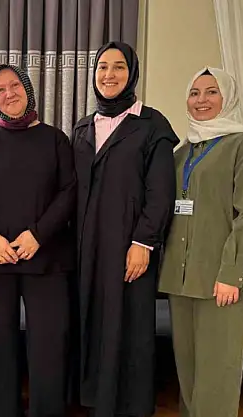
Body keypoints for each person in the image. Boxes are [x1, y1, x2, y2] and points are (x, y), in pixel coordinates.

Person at [0, 64, 75, 417]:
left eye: (14, 86)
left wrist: (38, 234)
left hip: (48, 257)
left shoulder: (56, 140)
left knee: (49, 344)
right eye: (0, 90)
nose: (9, 94)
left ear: (27, 89)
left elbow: (69, 192)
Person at [71, 41, 179, 417]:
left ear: (132, 74)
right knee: (91, 320)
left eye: (118, 67)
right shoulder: (83, 127)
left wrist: (143, 243)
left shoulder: (153, 125)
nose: (109, 75)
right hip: (86, 248)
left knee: (128, 325)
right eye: (102, 67)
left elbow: (161, 192)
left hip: (130, 247)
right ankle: (95, 400)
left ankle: (130, 406)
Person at [158, 67, 243, 417]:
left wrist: (232, 274)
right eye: (194, 93)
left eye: (211, 92)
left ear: (228, 98)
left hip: (221, 279)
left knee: (217, 374)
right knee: (189, 374)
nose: (201, 100)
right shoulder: (182, 152)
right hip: (181, 279)